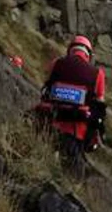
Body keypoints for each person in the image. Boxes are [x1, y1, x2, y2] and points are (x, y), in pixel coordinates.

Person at [34, 35, 106, 174]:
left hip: (49, 123)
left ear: (70, 50)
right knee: (70, 172)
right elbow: (100, 106)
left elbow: (47, 87)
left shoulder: (57, 63)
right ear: (88, 54)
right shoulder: (98, 74)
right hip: (76, 130)